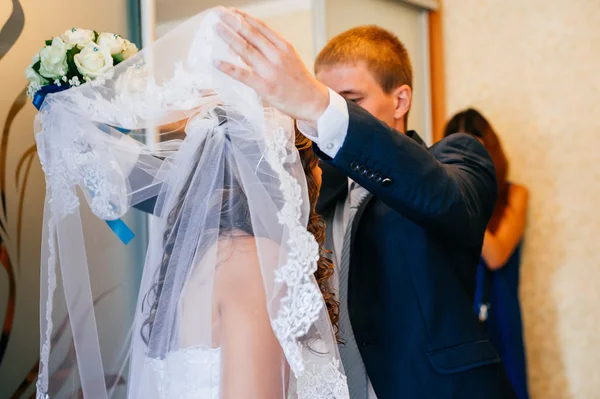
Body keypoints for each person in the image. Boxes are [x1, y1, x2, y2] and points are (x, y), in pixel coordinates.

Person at [34, 8, 348, 399]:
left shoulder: (199, 260)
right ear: (286, 169)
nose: (317, 175)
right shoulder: (255, 264)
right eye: (311, 160)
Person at [216, 8, 517, 399]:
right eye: (321, 99)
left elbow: (448, 200)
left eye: (349, 101)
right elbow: (221, 201)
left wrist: (317, 104)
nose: (319, 116)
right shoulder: (312, 183)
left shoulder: (456, 158)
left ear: (400, 99)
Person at [444, 108, 530, 399]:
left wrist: (462, 198)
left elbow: (496, 255)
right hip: (458, 307)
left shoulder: (515, 195)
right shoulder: (443, 197)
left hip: (501, 307)